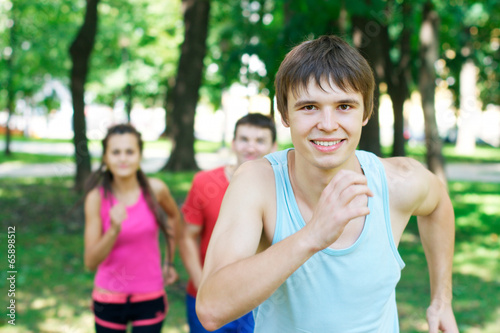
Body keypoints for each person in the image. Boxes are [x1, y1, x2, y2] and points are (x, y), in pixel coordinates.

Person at [196, 35, 459, 333]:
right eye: (309, 107)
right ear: (284, 114)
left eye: (345, 106)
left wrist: (442, 299)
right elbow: (210, 308)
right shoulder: (257, 183)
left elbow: (438, 205)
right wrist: (312, 236)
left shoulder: (398, 182)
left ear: (366, 112)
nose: (328, 123)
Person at [180, 113, 277, 332]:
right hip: (210, 298)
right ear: (233, 143)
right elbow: (187, 236)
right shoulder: (205, 182)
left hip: (260, 300)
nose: (251, 147)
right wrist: (200, 284)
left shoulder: (282, 187)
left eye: (260, 141)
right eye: (244, 139)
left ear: (273, 146)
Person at [83, 124, 181, 332]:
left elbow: (174, 217)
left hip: (150, 294)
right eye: (115, 152)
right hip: (108, 297)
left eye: (130, 151)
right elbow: (90, 262)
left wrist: (169, 261)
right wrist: (113, 230)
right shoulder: (95, 199)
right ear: (105, 158)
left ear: (140, 155)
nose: (123, 158)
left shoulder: (156, 189)